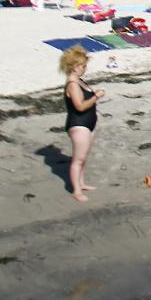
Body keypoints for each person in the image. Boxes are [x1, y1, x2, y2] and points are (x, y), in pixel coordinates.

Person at [61, 45, 104, 202]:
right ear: (74, 66)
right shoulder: (72, 84)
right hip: (78, 124)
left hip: (88, 122)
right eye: (83, 66)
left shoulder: (78, 80)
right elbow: (80, 106)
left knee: (83, 157)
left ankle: (81, 183)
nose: (85, 69)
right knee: (78, 159)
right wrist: (96, 96)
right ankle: (76, 191)